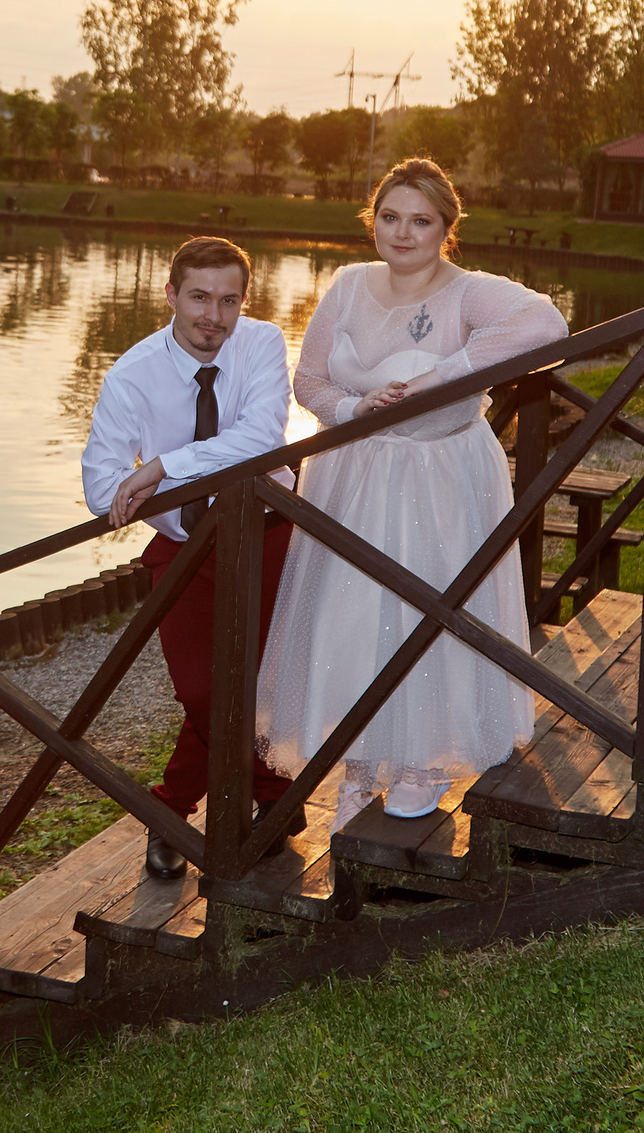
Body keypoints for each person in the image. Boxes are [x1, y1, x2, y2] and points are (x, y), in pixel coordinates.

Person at [256, 158, 569, 828]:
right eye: (390, 217)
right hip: (353, 473)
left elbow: (548, 329)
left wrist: (444, 376)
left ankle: (421, 759)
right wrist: (354, 407)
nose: (403, 233)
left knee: (426, 605)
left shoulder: (469, 291)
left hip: (440, 478)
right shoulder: (345, 285)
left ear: (446, 228)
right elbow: (307, 380)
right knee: (353, 610)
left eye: (421, 220)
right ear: (373, 220)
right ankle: (359, 762)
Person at [82, 235, 303, 879]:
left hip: (267, 539)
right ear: (171, 295)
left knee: (257, 685)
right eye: (199, 297)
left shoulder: (260, 344)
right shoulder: (131, 375)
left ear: (243, 302)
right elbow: (103, 490)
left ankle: (170, 814)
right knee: (205, 691)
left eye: (228, 300)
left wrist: (164, 467)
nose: (214, 316)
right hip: (183, 549)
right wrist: (162, 482)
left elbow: (262, 437)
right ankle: (275, 797)